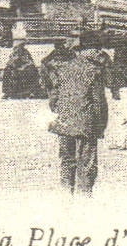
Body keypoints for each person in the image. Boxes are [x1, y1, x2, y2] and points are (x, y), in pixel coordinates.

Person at [48, 31, 114, 196]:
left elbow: (53, 97)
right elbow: (99, 101)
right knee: (86, 162)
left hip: (64, 121)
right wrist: (101, 125)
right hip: (86, 122)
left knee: (67, 160)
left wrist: (62, 111)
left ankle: (66, 194)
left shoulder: (64, 67)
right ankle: (84, 197)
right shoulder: (94, 70)